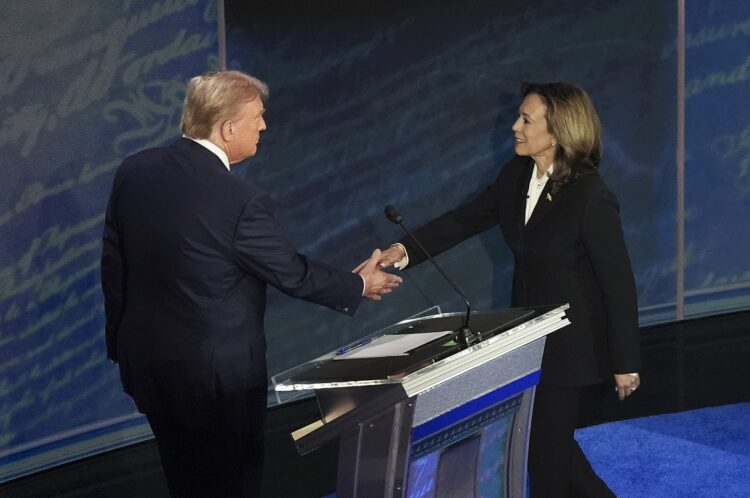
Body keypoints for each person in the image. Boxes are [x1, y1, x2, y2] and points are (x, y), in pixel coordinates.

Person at [100, 70, 402, 498]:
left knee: (183, 480)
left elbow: (114, 267)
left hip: (150, 368)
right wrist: (357, 285)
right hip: (217, 387)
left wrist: (122, 346)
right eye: (257, 117)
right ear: (227, 128)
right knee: (231, 485)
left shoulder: (136, 170)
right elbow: (291, 273)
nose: (264, 125)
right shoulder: (238, 201)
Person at [374, 82, 641, 497]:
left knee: (547, 461)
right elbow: (464, 220)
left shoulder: (589, 195)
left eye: (525, 119)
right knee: (550, 448)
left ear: (557, 132)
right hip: (529, 340)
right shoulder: (516, 175)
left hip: (572, 347)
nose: (514, 126)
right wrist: (403, 250)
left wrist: (625, 360)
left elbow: (618, 281)